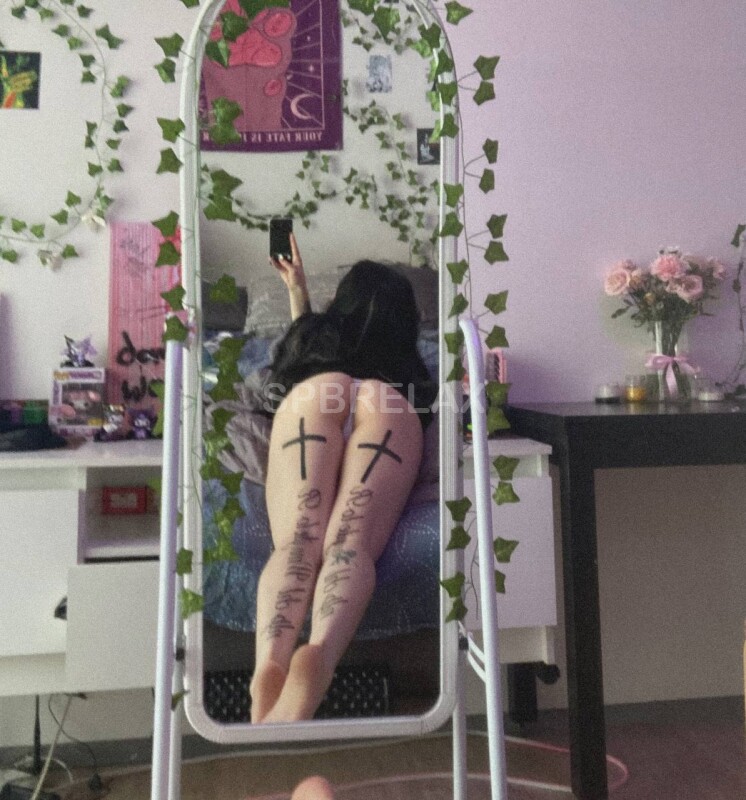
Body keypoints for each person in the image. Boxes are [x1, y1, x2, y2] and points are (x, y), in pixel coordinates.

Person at [250, 234, 436, 723]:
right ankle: (321, 654)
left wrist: (300, 296)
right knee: (350, 544)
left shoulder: (316, 340)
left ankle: (270, 663)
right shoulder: (408, 367)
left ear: (341, 305)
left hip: (316, 395)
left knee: (299, 538)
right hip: (386, 404)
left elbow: (299, 357)